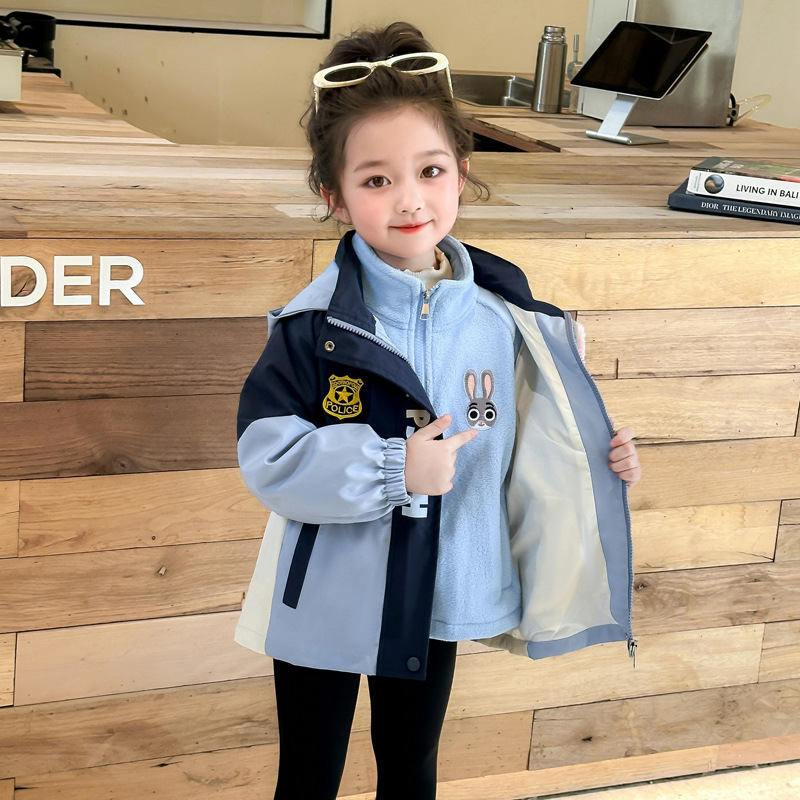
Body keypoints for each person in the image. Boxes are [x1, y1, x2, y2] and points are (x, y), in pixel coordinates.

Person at [234, 20, 642, 800]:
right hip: (328, 596)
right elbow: (269, 458)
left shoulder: (508, 322)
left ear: (461, 173)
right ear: (334, 196)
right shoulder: (313, 330)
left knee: (411, 769)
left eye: (429, 170)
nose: (410, 199)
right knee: (309, 776)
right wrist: (396, 468)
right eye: (376, 180)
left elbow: (528, 438)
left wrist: (601, 454)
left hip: (440, 591)